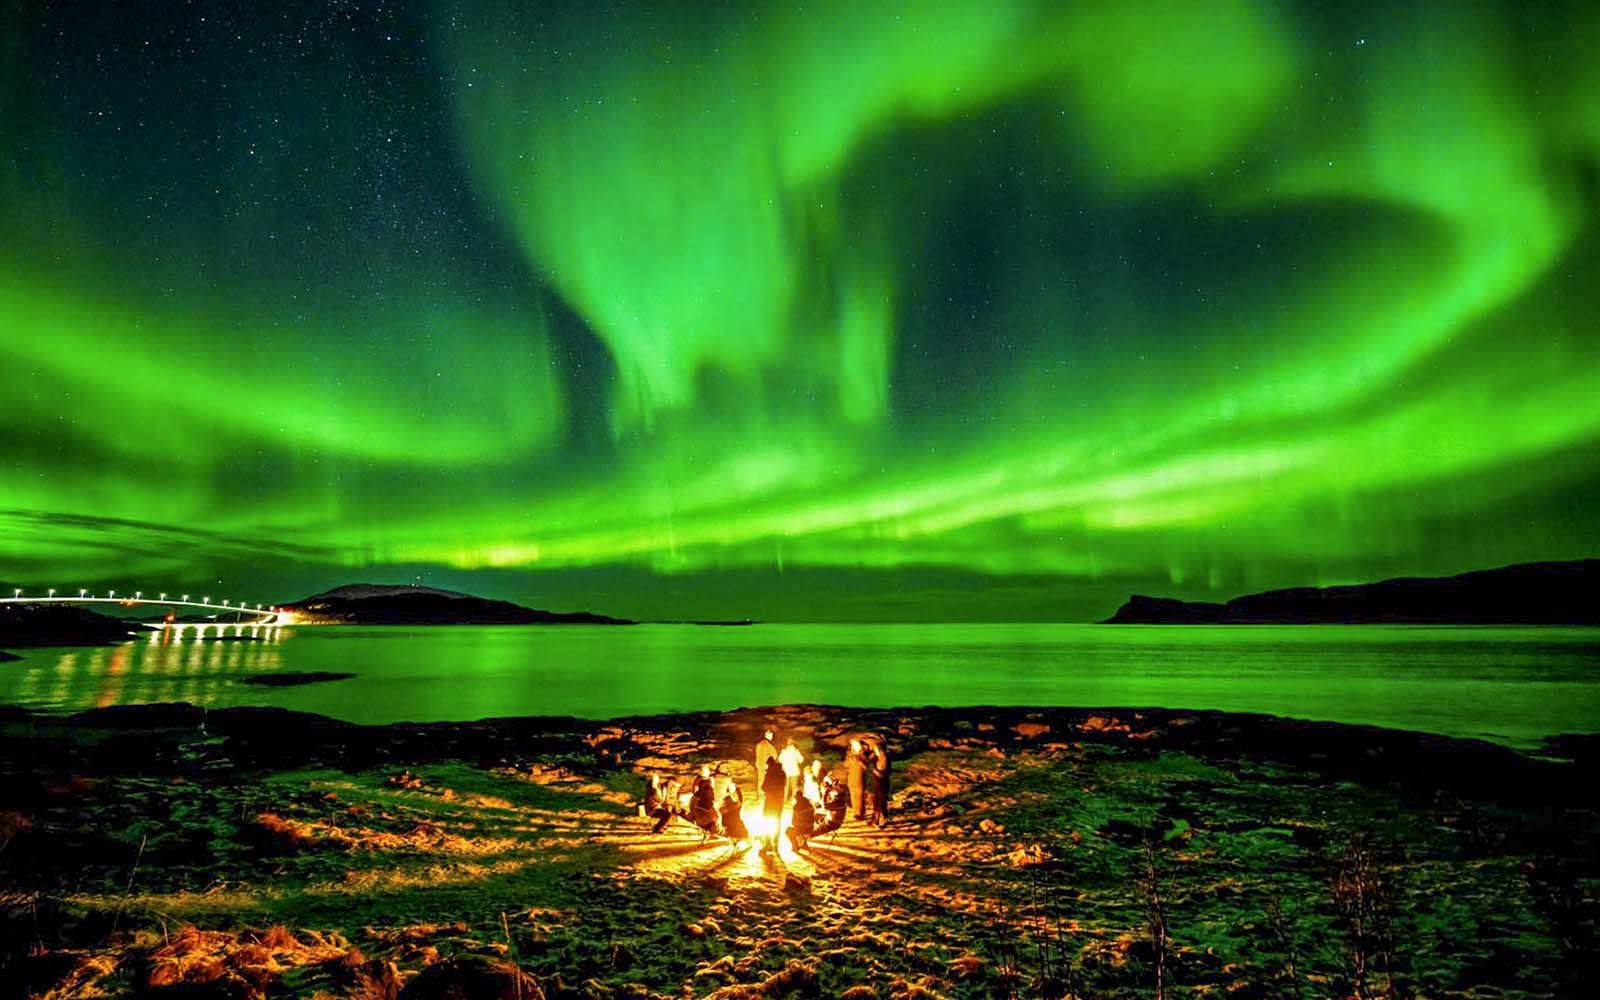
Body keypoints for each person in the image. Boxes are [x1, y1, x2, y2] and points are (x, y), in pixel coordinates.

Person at [759, 756, 786, 854]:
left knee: (765, 821)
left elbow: (763, 787)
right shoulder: (782, 773)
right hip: (779, 802)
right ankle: (776, 842)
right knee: (777, 821)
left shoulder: (769, 773)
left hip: (770, 802)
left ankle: (767, 843)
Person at [688, 764, 718, 837]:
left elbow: (694, 789)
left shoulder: (700, 780)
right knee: (716, 816)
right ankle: (712, 834)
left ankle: (711, 832)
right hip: (704, 802)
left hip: (702, 800)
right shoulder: (704, 782)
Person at [868, 738, 891, 828]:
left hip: (882, 783)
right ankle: (875, 819)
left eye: (876, 748)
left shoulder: (883, 757)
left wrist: (874, 771)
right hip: (878, 783)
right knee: (877, 801)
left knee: (881, 802)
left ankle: (883, 819)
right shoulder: (879, 756)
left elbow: (883, 772)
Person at [719, 785, 750, 850]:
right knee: (746, 832)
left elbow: (723, 824)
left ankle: (737, 842)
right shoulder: (736, 807)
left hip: (728, 832)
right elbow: (740, 800)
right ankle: (749, 843)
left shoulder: (722, 810)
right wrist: (738, 791)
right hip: (739, 832)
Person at [786, 786, 816, 852]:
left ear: (796, 797)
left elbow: (793, 822)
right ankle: (804, 844)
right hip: (811, 828)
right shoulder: (810, 804)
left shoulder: (796, 807)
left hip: (802, 828)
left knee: (788, 831)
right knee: (799, 827)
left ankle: (795, 846)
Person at [754, 728, 777, 809]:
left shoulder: (759, 744)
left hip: (759, 765)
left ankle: (758, 796)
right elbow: (774, 757)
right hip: (766, 767)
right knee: (765, 781)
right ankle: (763, 797)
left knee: (759, 780)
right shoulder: (769, 746)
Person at [779, 737, 805, 807]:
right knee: (794, 787)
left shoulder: (784, 751)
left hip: (786, 771)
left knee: (785, 787)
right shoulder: (796, 751)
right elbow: (801, 760)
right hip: (794, 771)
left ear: (787, 743)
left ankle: (784, 801)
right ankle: (794, 802)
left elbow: (780, 760)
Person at [845, 739, 867, 822]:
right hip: (851, 779)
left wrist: (858, 759)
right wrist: (849, 757)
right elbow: (846, 764)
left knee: (859, 797)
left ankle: (860, 813)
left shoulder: (862, 756)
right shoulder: (850, 757)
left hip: (859, 779)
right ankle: (856, 812)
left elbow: (865, 767)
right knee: (853, 797)